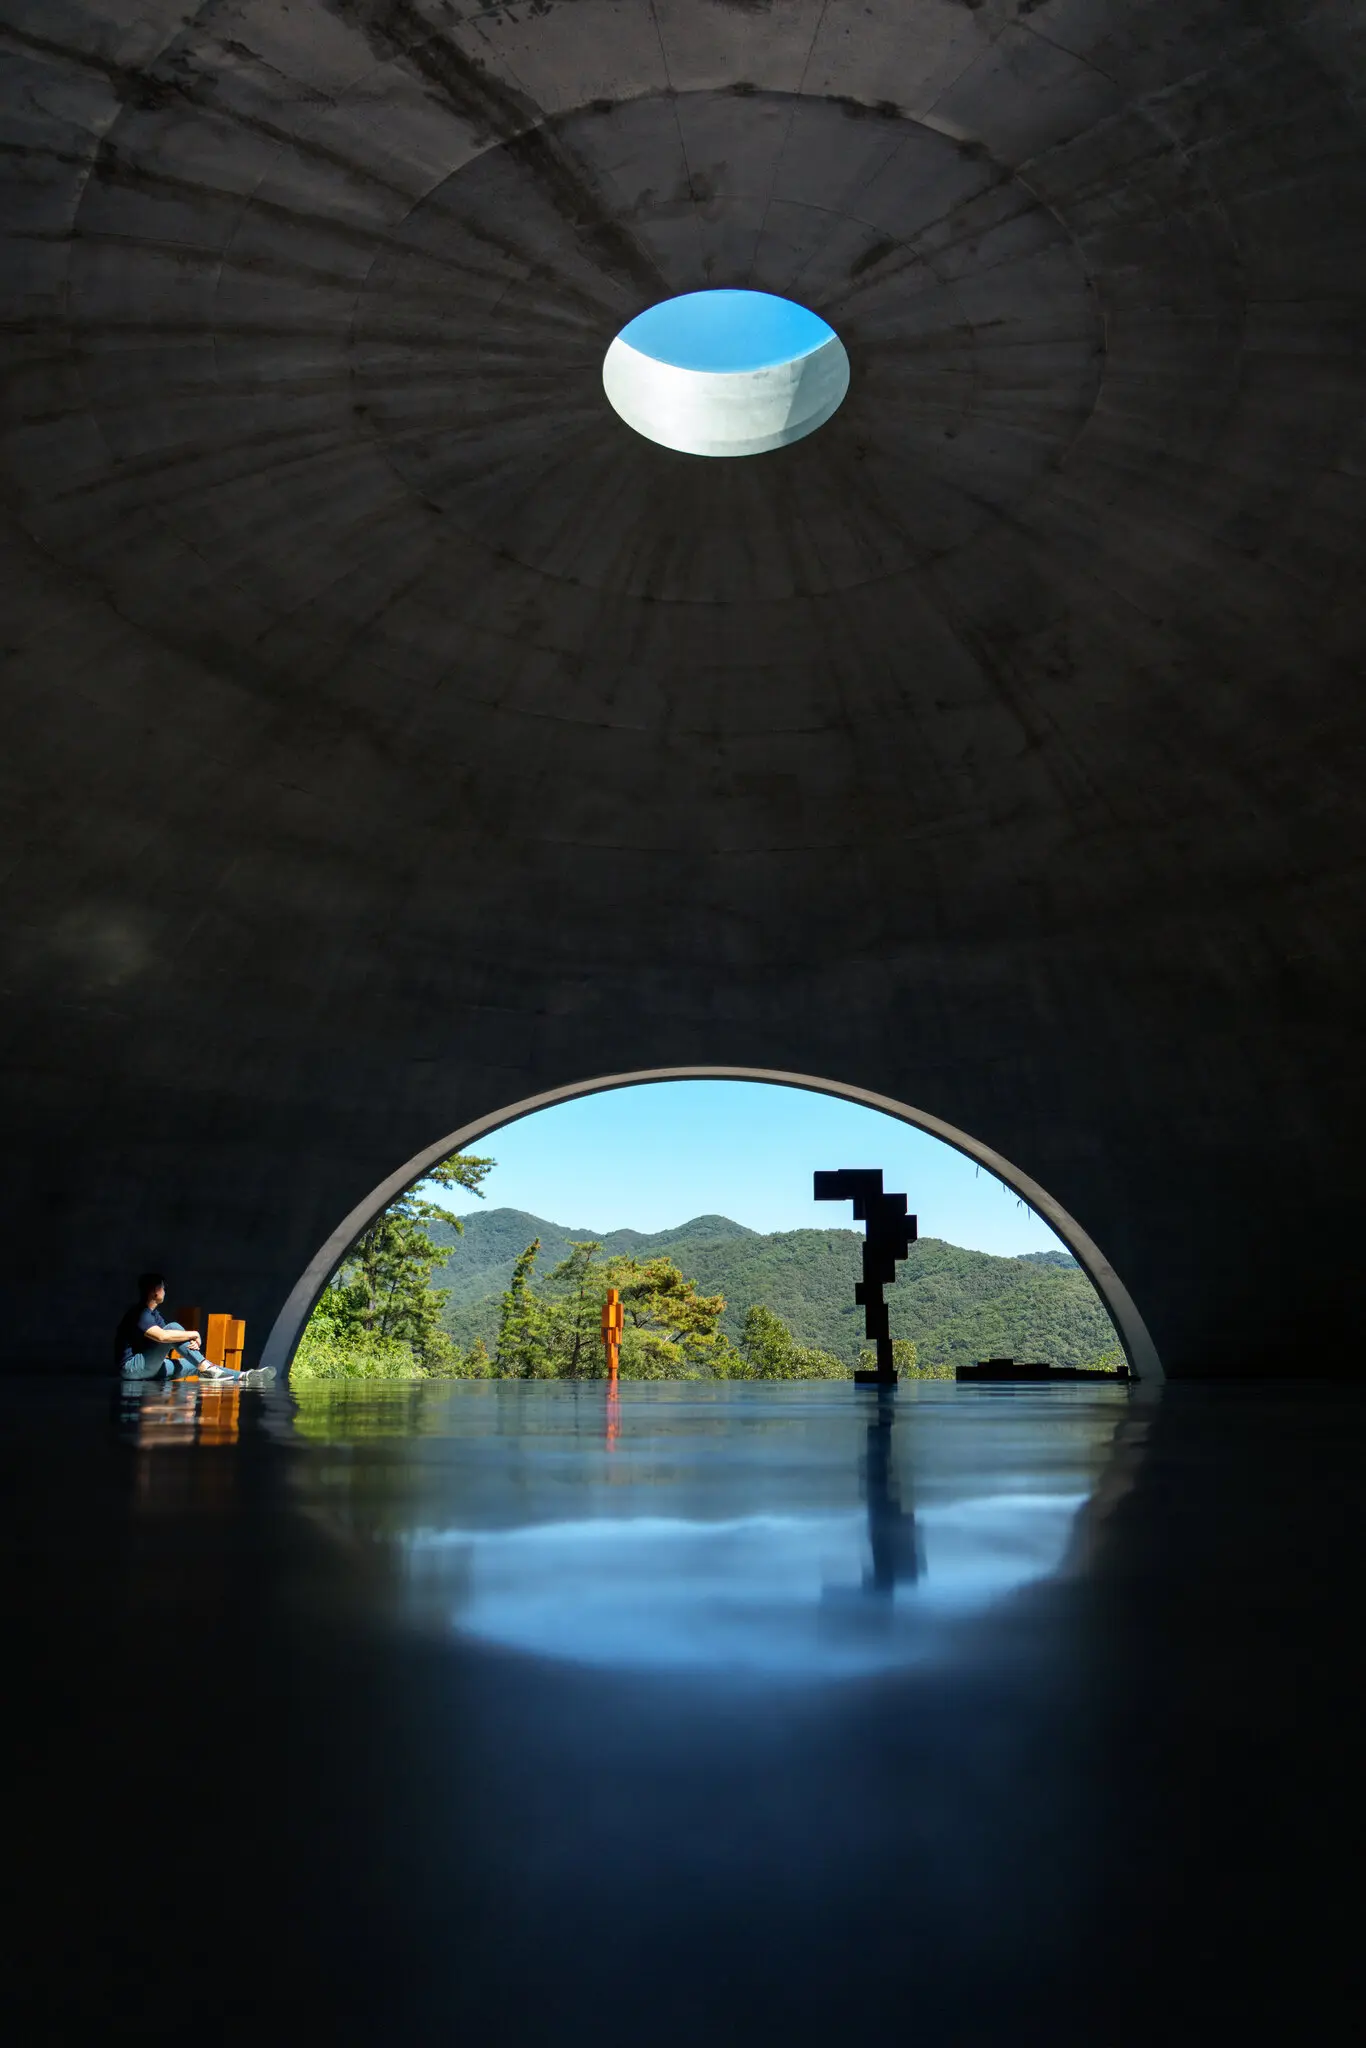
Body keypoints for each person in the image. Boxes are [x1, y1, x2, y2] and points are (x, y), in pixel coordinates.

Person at [115, 1274, 269, 1383]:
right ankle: (205, 1366)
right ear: (155, 1291)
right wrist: (193, 1334)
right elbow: (162, 1337)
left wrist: (188, 1340)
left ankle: (244, 1376)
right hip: (132, 1368)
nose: (165, 1291)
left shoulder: (155, 1314)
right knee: (173, 1328)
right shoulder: (139, 1313)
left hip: (148, 1368)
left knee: (192, 1365)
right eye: (164, 1288)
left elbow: (171, 1339)